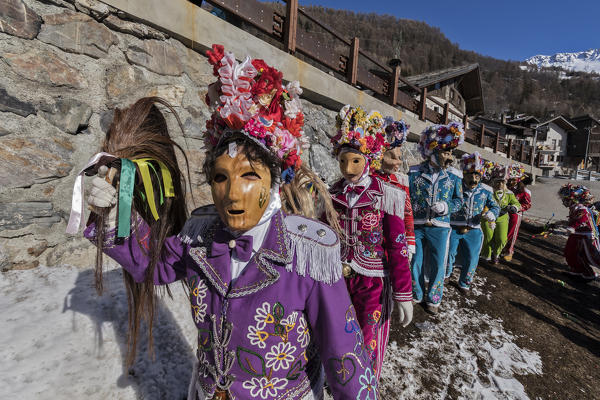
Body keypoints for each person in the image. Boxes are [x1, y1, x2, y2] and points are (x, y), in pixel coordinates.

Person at [80, 46, 378, 399]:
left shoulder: (308, 252)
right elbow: (154, 264)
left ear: (275, 180)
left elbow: (342, 353)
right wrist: (117, 215)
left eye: (249, 175)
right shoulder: (200, 235)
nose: (232, 194)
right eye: (220, 178)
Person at [328, 105, 413, 381]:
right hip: (337, 278)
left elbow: (397, 245)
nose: (348, 169)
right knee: (338, 333)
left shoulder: (385, 195)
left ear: (367, 159)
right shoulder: (331, 194)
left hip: (373, 282)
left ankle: (364, 386)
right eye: (343, 162)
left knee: (368, 339)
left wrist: (403, 292)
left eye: (355, 161)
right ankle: (343, 380)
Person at [408, 122, 464, 313]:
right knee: (415, 261)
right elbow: (406, 197)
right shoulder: (414, 172)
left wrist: (446, 206)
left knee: (439, 262)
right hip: (416, 225)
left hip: (440, 227)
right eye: (446, 152)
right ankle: (416, 294)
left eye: (451, 153)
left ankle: (433, 298)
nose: (450, 157)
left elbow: (459, 201)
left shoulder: (455, 176)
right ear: (432, 150)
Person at [446, 153, 499, 292]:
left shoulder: (486, 191)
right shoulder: (455, 186)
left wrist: (492, 214)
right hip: (454, 227)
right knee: (449, 252)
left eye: (477, 176)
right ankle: (446, 275)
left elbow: (495, 206)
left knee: (472, 257)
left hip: (474, 229)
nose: (473, 179)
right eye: (470, 175)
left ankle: (464, 282)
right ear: (464, 174)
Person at [372, 118, 416, 256]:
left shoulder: (400, 181)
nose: (398, 163)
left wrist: (409, 243)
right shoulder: (369, 179)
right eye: (393, 157)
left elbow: (407, 213)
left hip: (395, 241)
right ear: (380, 156)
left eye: (399, 158)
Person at [480, 164, 521, 264]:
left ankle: (496, 254)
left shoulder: (509, 193)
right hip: (487, 218)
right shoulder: (488, 192)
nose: (500, 184)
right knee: (487, 237)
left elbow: (517, 204)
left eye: (502, 182)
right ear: (493, 182)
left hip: (502, 218)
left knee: (502, 239)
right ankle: (486, 255)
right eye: (497, 182)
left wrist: (513, 207)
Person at [559, 184, 600, 280]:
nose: (564, 201)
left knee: (593, 257)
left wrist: (572, 227)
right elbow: (576, 220)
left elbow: (583, 218)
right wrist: (565, 223)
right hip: (578, 234)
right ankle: (580, 271)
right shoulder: (575, 207)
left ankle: (588, 274)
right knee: (570, 253)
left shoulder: (581, 208)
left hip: (586, 236)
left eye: (566, 198)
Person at [503, 165, 532, 261]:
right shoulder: (505, 187)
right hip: (503, 212)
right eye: (510, 179)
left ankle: (509, 251)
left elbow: (527, 204)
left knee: (512, 233)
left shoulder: (524, 191)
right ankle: (499, 249)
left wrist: (518, 208)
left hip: (515, 214)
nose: (511, 182)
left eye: (514, 179)